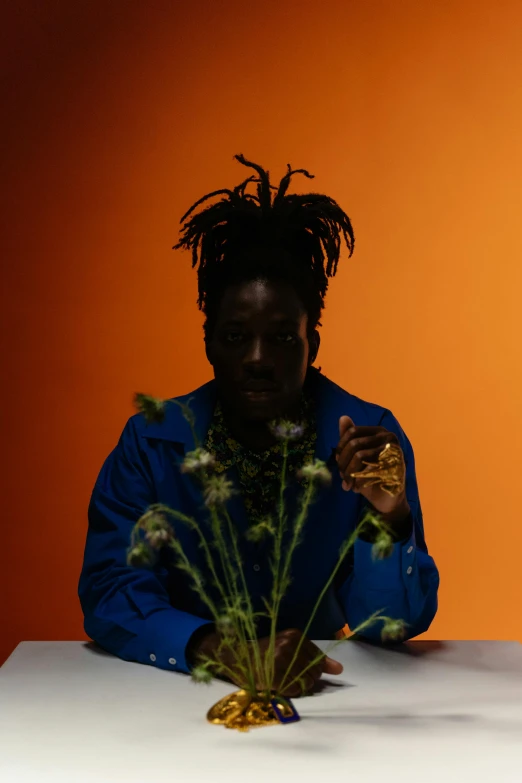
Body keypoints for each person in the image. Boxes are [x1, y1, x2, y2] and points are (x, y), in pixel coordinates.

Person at [79, 154, 439, 698]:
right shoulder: (151, 444)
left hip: (332, 699)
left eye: (281, 337)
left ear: (311, 344)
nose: (256, 357)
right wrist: (222, 650)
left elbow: (389, 626)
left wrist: (390, 518)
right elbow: (110, 589)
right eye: (235, 335)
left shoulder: (366, 439)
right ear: (208, 342)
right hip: (173, 698)